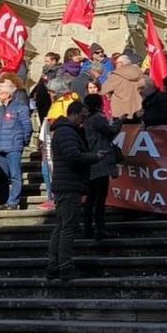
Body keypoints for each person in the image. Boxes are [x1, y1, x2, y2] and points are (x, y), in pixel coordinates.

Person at [46, 100, 100, 281]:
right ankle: (65, 267)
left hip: (65, 184)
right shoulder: (66, 132)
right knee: (68, 228)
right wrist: (94, 157)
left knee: (61, 226)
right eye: (82, 116)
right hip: (69, 185)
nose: (83, 121)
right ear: (74, 114)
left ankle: (54, 266)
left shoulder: (63, 131)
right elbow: (73, 156)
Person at [81, 94, 121, 240]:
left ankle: (88, 228)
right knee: (100, 197)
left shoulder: (85, 120)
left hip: (90, 161)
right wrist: (120, 121)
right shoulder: (98, 118)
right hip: (101, 161)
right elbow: (110, 132)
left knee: (91, 198)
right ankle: (100, 228)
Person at [0, 78, 34, 211]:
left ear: (8, 93)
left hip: (14, 147)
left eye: (0, 92)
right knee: (2, 176)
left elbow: (27, 127)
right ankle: (4, 200)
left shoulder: (20, 107)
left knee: (15, 175)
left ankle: (13, 202)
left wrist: (23, 142)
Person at [102, 56, 145, 122]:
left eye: (116, 63)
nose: (115, 66)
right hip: (137, 109)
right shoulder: (139, 73)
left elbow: (104, 90)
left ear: (120, 64)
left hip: (120, 111)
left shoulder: (116, 76)